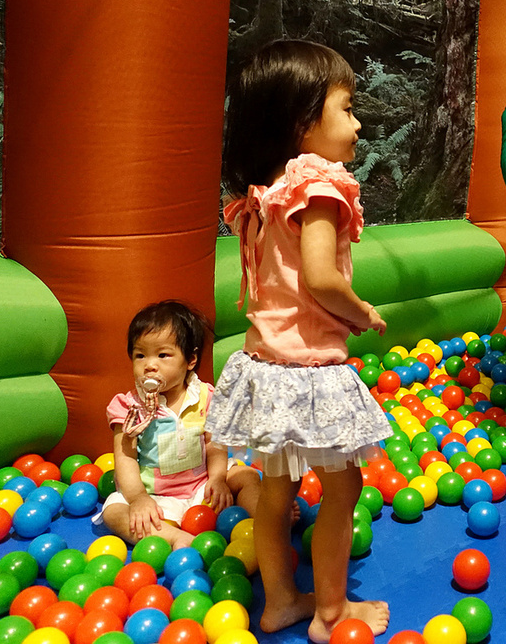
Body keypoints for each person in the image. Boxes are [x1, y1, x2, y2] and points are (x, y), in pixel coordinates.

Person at [205, 39, 392, 642]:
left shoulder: (266, 193)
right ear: (302, 124)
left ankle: (281, 601)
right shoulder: (318, 185)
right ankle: (332, 612)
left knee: (275, 488)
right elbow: (319, 278)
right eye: (346, 107)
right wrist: (360, 311)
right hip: (309, 371)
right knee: (345, 485)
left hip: (263, 364)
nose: (359, 123)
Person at [101, 300, 262, 550]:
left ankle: (266, 522)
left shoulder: (205, 396)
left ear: (190, 360)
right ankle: (175, 537)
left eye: (163, 355)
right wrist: (138, 499)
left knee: (247, 475)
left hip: (202, 489)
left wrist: (218, 479)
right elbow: (126, 458)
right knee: (113, 511)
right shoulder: (129, 407)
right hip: (156, 499)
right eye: (140, 355)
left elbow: (214, 443)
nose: (150, 365)